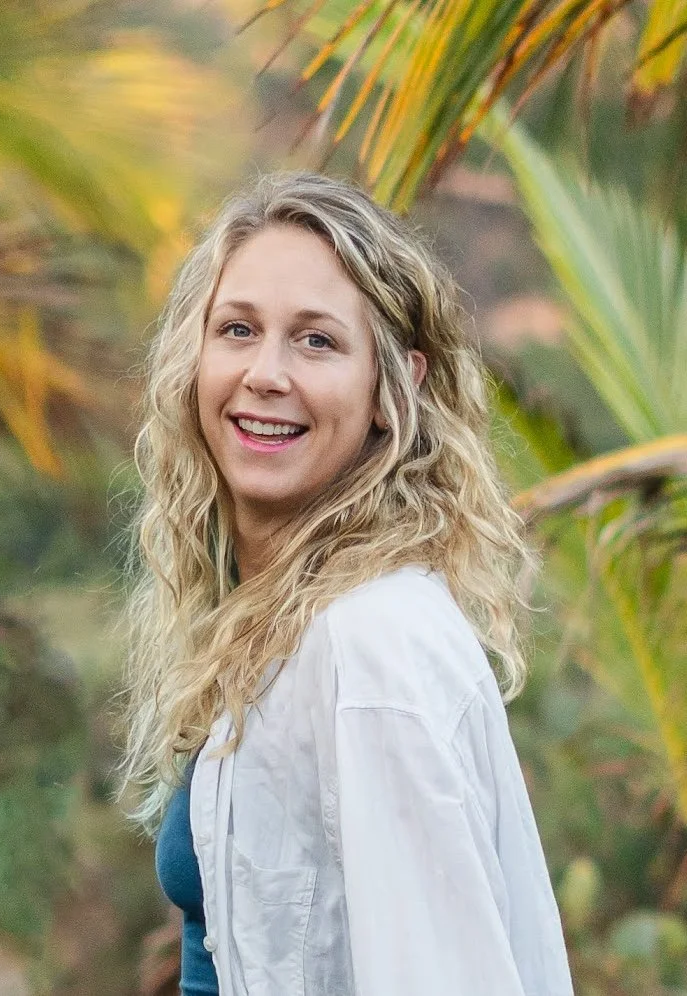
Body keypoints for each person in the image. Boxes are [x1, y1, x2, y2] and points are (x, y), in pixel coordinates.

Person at [118, 171, 574, 996]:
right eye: (237, 329)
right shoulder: (278, 622)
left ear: (392, 388)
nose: (265, 373)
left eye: (316, 341)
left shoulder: (371, 644)